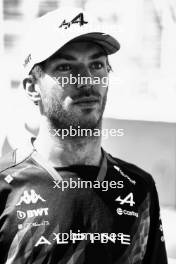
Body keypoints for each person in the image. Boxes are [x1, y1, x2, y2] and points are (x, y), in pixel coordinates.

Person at [0, 7, 168, 264]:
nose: (86, 79)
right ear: (33, 88)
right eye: (66, 67)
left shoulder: (139, 188)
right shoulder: (5, 186)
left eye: (97, 65)